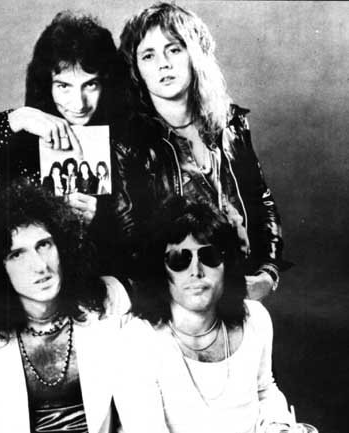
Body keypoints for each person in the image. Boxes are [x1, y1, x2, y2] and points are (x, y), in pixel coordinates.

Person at [117, 2, 289, 299]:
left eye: (174, 49)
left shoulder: (231, 123)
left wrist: (268, 273)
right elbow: (129, 240)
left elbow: (262, 201)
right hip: (176, 302)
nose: (163, 64)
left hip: (240, 292)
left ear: (195, 54)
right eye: (148, 55)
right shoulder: (129, 144)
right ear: (137, 70)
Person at [0, 183, 130, 433]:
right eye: (17, 255)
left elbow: (137, 415)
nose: (40, 266)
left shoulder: (109, 298)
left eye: (44, 245)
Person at [113, 196, 291, 433]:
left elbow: (265, 390)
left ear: (227, 264)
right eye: (179, 259)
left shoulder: (255, 318)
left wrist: (279, 426)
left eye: (209, 256)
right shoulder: (136, 340)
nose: (195, 271)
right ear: (160, 270)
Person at [0, 11, 122, 224]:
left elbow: (144, 229)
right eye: (64, 86)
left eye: (90, 85)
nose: (79, 103)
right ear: (46, 84)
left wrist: (102, 220)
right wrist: (15, 120)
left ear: (107, 82)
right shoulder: (20, 129)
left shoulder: (126, 136)